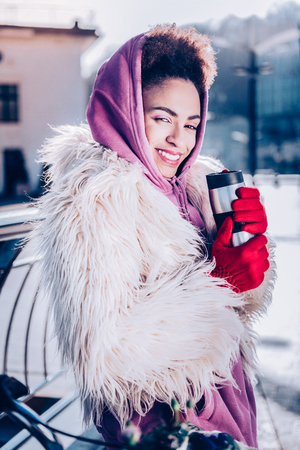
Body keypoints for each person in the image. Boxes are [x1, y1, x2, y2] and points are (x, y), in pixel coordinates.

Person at [31, 24, 276, 449]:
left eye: (191, 123)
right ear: (125, 109)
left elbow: (242, 305)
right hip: (162, 425)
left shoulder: (194, 184)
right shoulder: (95, 199)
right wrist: (222, 283)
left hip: (223, 396)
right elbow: (109, 351)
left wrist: (250, 246)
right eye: (162, 118)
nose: (178, 139)